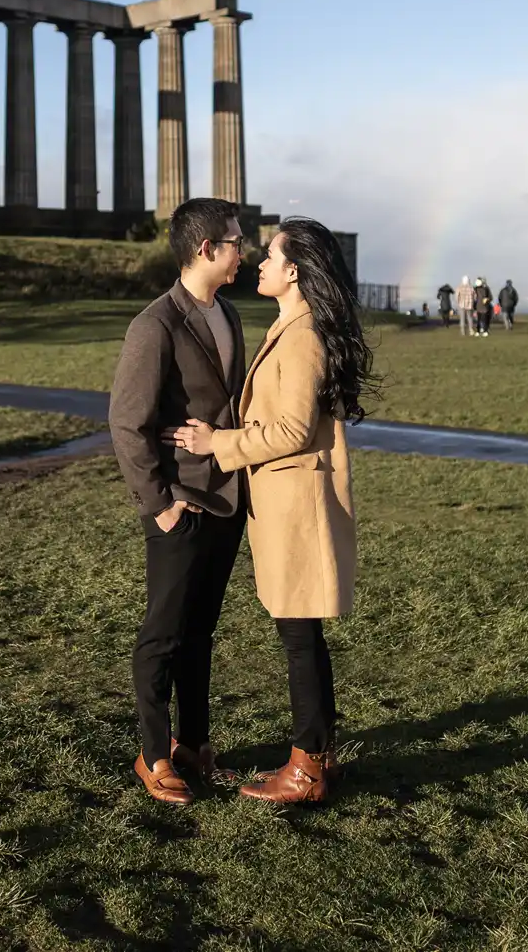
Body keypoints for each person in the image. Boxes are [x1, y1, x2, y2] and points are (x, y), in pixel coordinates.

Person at [169, 216, 371, 805]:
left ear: (294, 271)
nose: (259, 263)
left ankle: (307, 769)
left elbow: (290, 428)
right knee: (302, 633)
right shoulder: (291, 323)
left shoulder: (303, 331)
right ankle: (320, 760)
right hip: (285, 501)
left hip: (295, 505)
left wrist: (218, 445)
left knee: (299, 636)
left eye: (271, 256)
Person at [108, 198, 249, 806]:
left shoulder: (232, 314)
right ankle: (154, 753)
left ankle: (196, 745)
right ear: (205, 249)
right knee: (163, 633)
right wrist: (158, 501)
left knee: (202, 633)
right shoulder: (155, 324)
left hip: (227, 502)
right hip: (180, 503)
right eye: (237, 241)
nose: (245, 250)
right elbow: (125, 423)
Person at [473, 272, 494, 337]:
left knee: (485, 319)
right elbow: (474, 297)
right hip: (478, 306)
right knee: (479, 320)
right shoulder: (475, 288)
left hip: (485, 307)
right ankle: (478, 331)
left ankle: (485, 331)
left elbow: (491, 297)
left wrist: (487, 299)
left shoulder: (486, 288)